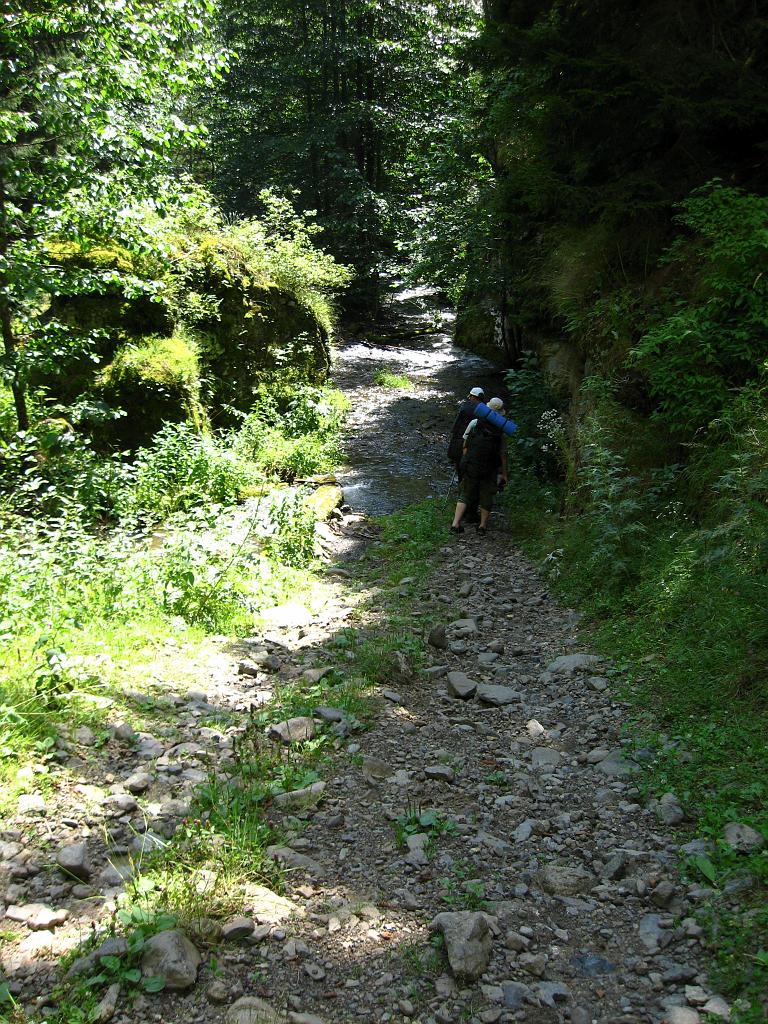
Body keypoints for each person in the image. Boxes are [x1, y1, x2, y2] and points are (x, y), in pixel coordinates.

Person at [450, 396, 508, 537]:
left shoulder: (475, 423)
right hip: (490, 468)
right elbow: (503, 454)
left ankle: (455, 524)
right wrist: (504, 473)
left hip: (471, 465)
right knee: (487, 496)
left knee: (465, 494)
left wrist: (465, 461)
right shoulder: (501, 430)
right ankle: (482, 526)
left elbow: (465, 445)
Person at [447, 386, 485, 476]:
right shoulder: (486, 409)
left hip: (462, 437)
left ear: (473, 396)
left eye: (470, 396)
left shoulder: (465, 406)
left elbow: (457, 424)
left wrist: (453, 433)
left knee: (459, 460)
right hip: (477, 439)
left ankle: (461, 479)